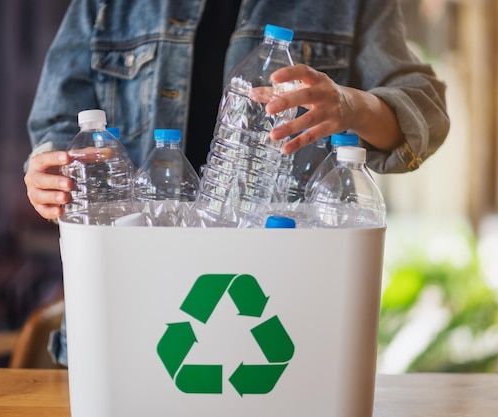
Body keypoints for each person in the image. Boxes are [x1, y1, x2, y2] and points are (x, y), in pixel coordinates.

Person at [24, 0, 450, 366]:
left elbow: (426, 110)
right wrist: (50, 171)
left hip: (285, 296)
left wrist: (352, 105)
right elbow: (60, 120)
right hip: (129, 308)